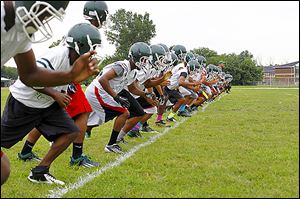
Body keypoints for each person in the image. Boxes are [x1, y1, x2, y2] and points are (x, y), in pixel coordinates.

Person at [1, 23, 102, 185]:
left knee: (71, 132)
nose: (95, 51)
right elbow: (30, 79)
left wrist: (61, 92)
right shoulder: (56, 55)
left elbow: (63, 79)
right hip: (24, 102)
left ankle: (40, 171)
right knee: (3, 140)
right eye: (94, 46)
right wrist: (55, 94)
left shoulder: (75, 62)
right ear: (81, 45)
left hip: (46, 105)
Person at [85, 42, 155, 153]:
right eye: (143, 59)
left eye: (146, 60)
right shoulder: (122, 66)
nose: (145, 62)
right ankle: (111, 144)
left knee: (94, 121)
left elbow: (132, 88)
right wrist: (116, 97)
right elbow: (103, 79)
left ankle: (70, 134)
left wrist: (145, 94)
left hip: (103, 92)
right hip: (97, 91)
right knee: (124, 113)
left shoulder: (133, 71)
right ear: (134, 56)